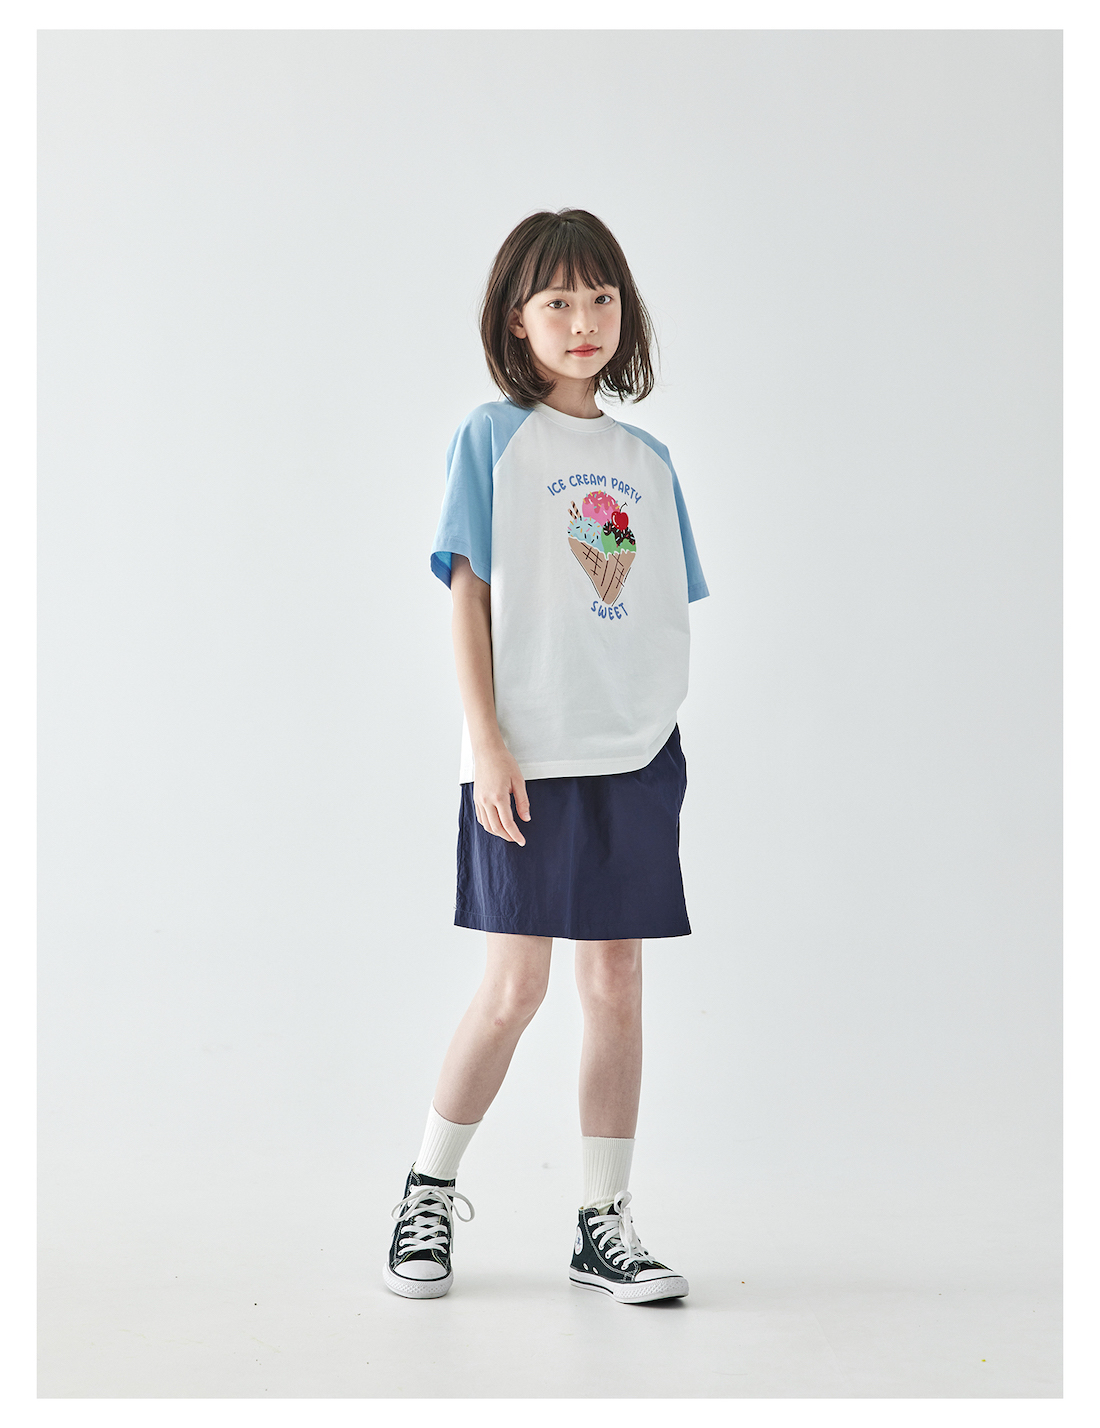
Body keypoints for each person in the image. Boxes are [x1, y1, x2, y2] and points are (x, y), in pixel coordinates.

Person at [383, 209, 709, 1305]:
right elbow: (468, 596)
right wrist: (486, 742)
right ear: (516, 320)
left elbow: (653, 605)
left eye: (601, 297)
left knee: (615, 982)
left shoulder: (646, 461)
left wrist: (655, 723)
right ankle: (427, 1191)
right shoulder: (492, 439)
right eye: (558, 301)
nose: (583, 321)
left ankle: (601, 1223)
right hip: (523, 755)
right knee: (514, 986)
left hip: (634, 755)